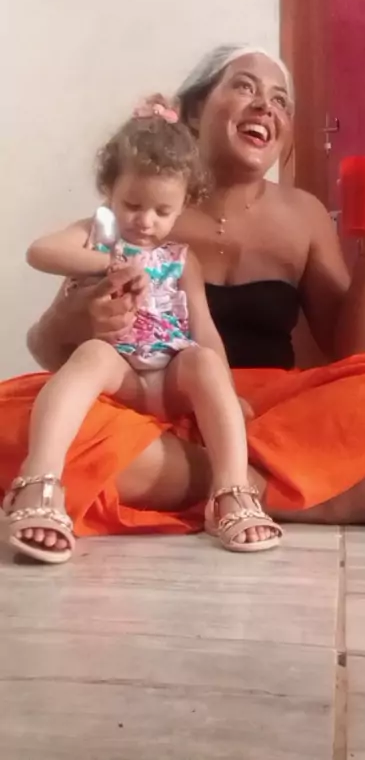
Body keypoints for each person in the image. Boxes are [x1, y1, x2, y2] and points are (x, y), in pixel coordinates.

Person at [0, 45, 365, 563]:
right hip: (145, 402)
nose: (265, 106)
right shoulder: (142, 210)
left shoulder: (303, 215)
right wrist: (87, 316)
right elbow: (45, 347)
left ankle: (203, 479)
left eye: (280, 100)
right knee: (15, 418)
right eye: (244, 86)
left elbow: (353, 351)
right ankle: (295, 496)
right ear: (194, 111)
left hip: (260, 412)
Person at [3, 96, 282, 563]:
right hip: (123, 376)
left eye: (162, 211)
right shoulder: (100, 240)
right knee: (91, 355)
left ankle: (232, 491)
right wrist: (107, 262)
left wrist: (228, 394)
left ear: (183, 205)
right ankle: (40, 482)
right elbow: (40, 252)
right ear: (109, 191)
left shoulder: (180, 259)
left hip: (169, 378)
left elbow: (204, 331)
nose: (145, 221)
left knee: (203, 360)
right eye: (132, 204)